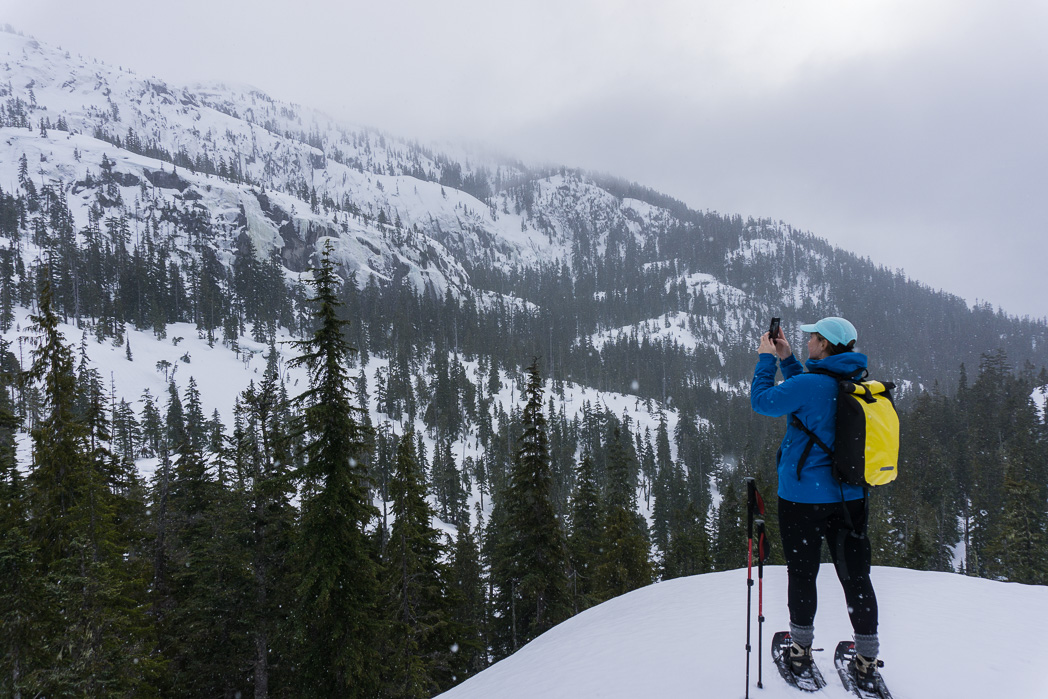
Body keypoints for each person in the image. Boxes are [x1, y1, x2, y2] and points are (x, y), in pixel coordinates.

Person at [750, 316, 882, 692]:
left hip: (802, 499)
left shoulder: (811, 385)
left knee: (803, 574)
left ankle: (800, 651)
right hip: (851, 498)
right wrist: (789, 358)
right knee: (856, 577)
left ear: (824, 345)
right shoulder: (856, 384)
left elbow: (764, 402)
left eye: (812, 339)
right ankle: (866, 658)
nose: (807, 342)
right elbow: (808, 393)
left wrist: (766, 359)